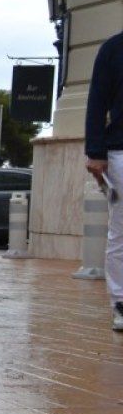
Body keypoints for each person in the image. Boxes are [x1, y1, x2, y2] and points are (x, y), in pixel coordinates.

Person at [84, 29, 123, 329]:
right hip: (120, 153)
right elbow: (97, 102)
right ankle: (120, 302)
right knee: (121, 230)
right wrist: (96, 151)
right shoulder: (112, 49)